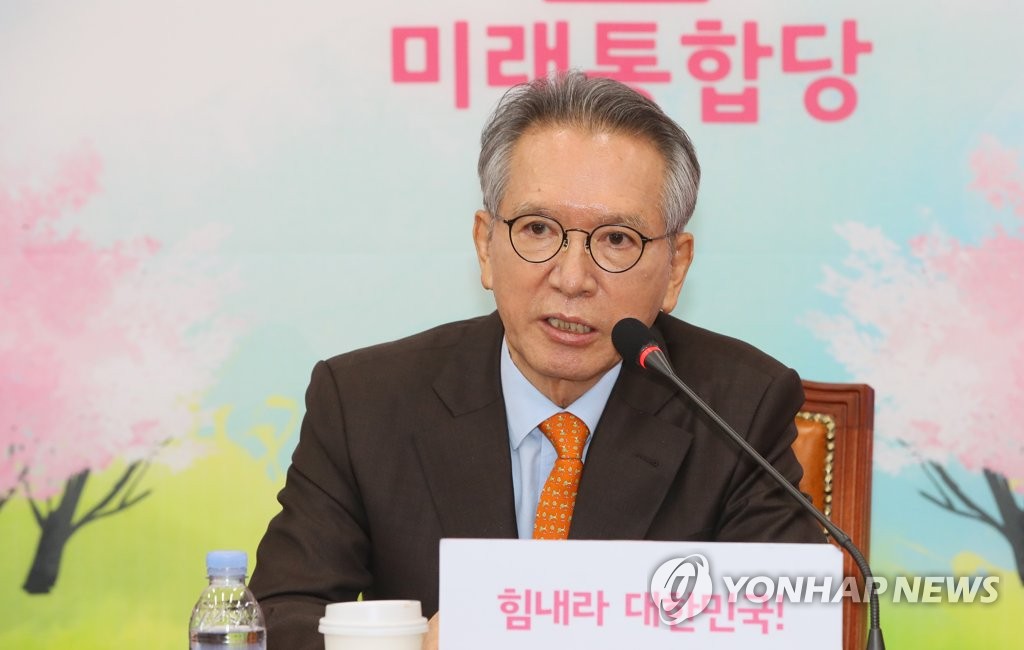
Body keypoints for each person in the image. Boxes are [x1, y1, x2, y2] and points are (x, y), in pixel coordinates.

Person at [249, 70, 824, 649]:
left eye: (617, 239)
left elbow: (780, 629)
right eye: (538, 228)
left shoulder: (737, 412)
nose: (572, 279)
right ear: (485, 245)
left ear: (675, 268)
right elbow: (277, 618)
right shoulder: (365, 403)